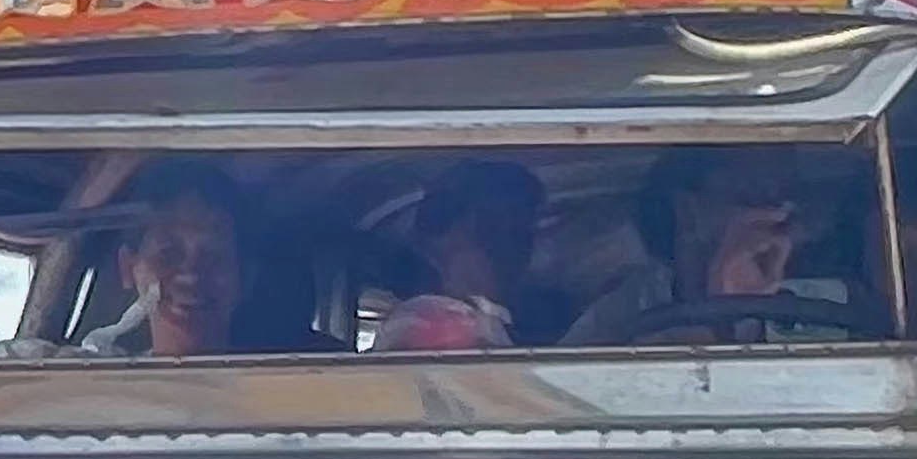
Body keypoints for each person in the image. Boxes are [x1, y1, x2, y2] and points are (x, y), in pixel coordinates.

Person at [557, 169, 858, 345]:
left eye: (786, 200)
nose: (779, 216)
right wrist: (723, 301)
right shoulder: (616, 317)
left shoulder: (831, 301)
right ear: (688, 212)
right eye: (753, 198)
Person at [367, 162, 542, 350]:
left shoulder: (500, 319)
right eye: (519, 230)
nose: (526, 245)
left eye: (525, 231)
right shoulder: (436, 325)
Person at [74, 181, 245, 359]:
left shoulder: (271, 379)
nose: (189, 278)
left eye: (213, 256)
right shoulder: (84, 378)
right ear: (128, 268)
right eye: (167, 254)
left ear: (245, 276)